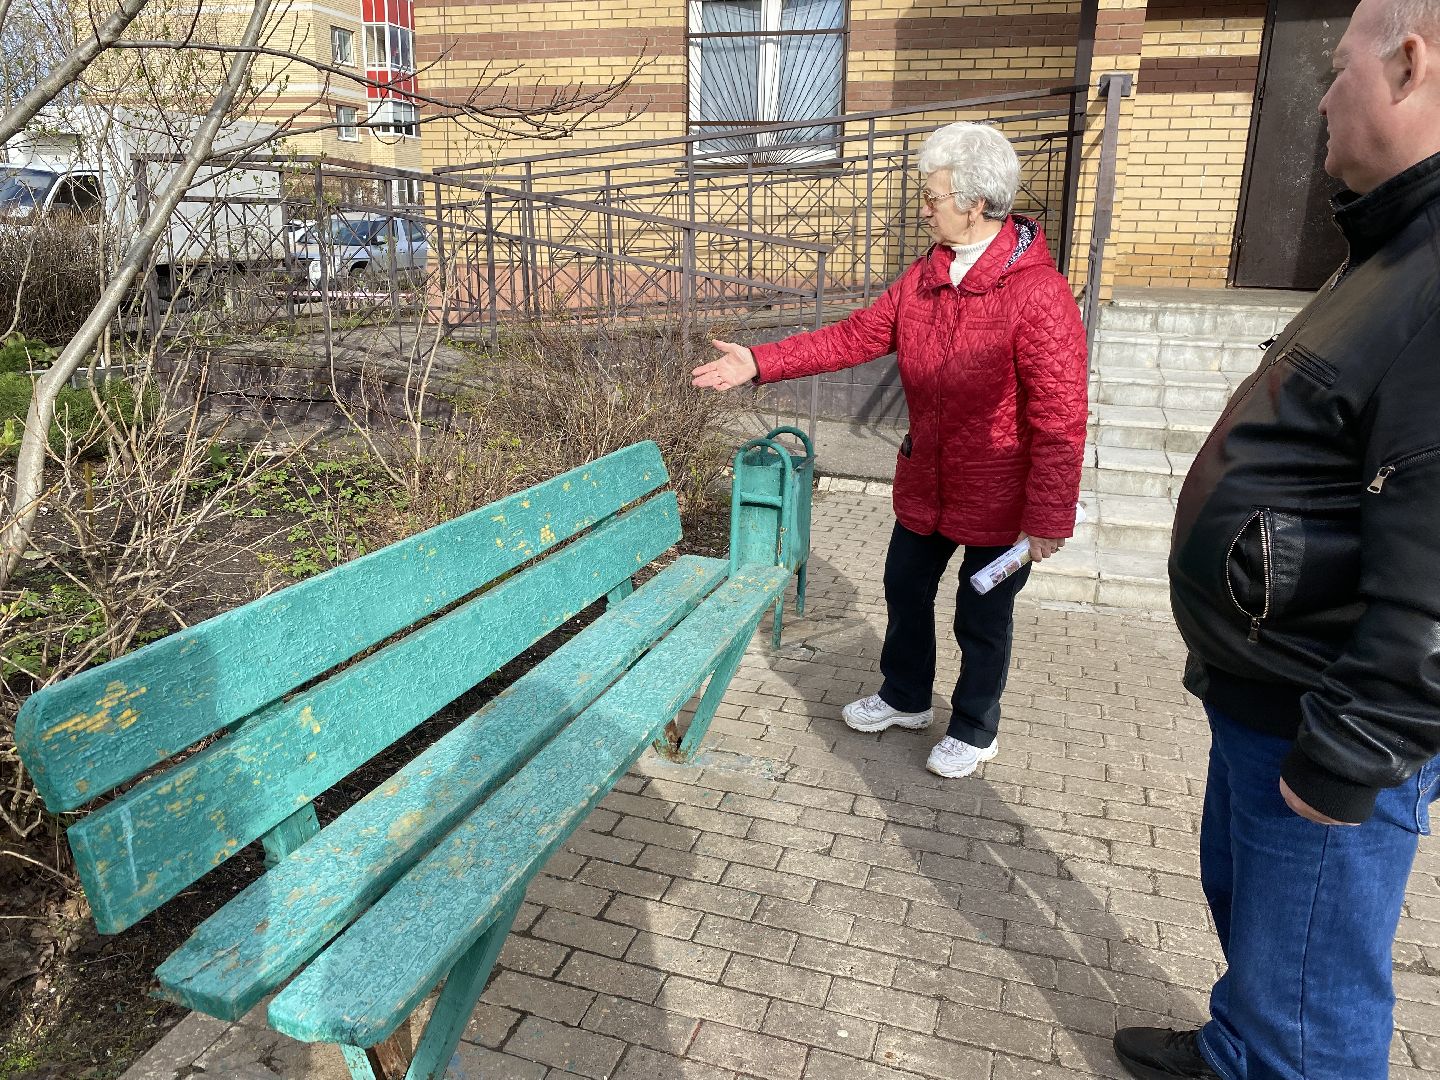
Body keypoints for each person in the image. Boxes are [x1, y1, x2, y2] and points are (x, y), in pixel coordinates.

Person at [1113, 1, 1440, 1077]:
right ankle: (1236, 1047)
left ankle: (1271, 1054)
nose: (1320, 96)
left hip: (1327, 714)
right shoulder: (1397, 247)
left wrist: (1352, 752)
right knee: (1263, 935)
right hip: (1275, 685)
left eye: (1336, 69)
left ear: (1407, 64)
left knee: (1312, 999)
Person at [691, 121, 1087, 779]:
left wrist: (1047, 519)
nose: (923, 207)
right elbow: (853, 337)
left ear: (976, 203)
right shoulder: (926, 277)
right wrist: (760, 362)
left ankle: (975, 726)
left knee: (981, 615)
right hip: (926, 481)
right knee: (905, 587)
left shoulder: (1037, 294)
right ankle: (906, 696)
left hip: (999, 492)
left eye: (932, 197)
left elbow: (1061, 419)